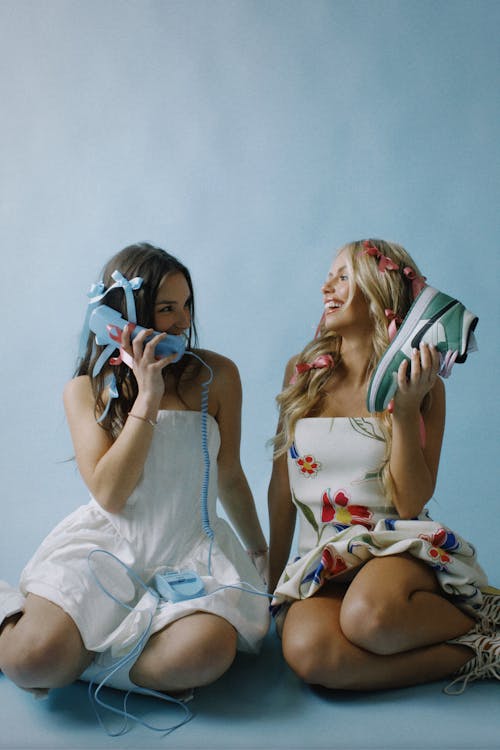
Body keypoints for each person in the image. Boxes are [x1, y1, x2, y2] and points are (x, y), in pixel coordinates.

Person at [0, 242, 269, 700]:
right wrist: (147, 397)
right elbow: (110, 493)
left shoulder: (217, 375)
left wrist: (260, 552)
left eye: (187, 306)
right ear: (121, 316)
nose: (183, 322)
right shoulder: (84, 390)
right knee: (29, 661)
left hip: (190, 550)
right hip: (108, 547)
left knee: (208, 651)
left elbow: (228, 473)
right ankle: (43, 635)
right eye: (167, 309)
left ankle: (86, 663)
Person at [268, 238, 499, 694]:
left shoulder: (420, 380)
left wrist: (407, 410)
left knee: (369, 620)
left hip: (394, 548)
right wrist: (272, 584)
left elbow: (410, 500)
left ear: (379, 289)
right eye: (329, 275)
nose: (325, 287)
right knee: (308, 654)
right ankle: (476, 652)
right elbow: (281, 489)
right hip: (323, 560)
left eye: (342, 277)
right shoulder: (303, 371)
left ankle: (479, 613)